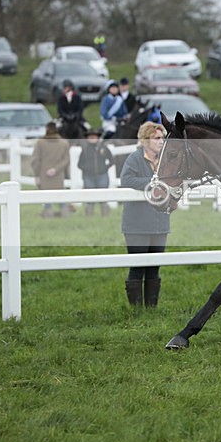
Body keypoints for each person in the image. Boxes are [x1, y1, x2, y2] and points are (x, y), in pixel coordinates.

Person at [119, 121, 171, 307]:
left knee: (154, 266)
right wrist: (152, 182)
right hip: (136, 224)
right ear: (145, 140)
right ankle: (136, 310)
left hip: (160, 223)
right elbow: (126, 180)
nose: (161, 141)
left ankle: (151, 309)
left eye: (162, 138)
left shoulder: (166, 160)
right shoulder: (135, 158)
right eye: (157, 138)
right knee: (138, 266)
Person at [30, 121, 71, 218]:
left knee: (46, 197)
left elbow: (35, 161)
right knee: (61, 196)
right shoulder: (64, 143)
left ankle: (48, 215)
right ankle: (65, 215)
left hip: (44, 174)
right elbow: (66, 160)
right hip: (59, 175)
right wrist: (56, 169)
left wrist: (37, 174)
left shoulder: (40, 143)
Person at [77, 128, 114, 216]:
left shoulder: (103, 148)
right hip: (89, 177)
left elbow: (112, 160)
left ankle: (105, 217)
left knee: (103, 198)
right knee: (89, 199)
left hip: (102, 175)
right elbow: (79, 164)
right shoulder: (85, 149)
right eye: (90, 136)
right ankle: (89, 217)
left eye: (94, 136)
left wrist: (104, 168)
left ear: (97, 137)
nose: (92, 138)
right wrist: (86, 169)